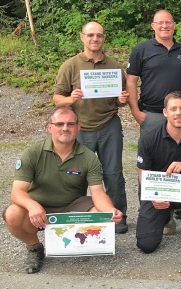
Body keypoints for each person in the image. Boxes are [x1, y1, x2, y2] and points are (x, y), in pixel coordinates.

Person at [3, 106, 123, 274]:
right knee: (13, 213)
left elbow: (98, 193)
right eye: (59, 124)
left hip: (72, 206)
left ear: (78, 127)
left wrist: (110, 211)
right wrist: (32, 206)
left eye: (70, 124)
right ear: (49, 127)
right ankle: (34, 248)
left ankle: (81, 245)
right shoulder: (32, 153)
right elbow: (17, 192)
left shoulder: (89, 157)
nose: (65, 128)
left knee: (100, 213)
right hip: (39, 207)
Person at [52, 21, 129, 234]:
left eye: (99, 35)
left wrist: (122, 99)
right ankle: (77, 216)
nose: (95, 39)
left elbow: (119, 100)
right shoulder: (70, 66)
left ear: (104, 38)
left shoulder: (114, 67)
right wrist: (70, 99)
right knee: (75, 175)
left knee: (113, 174)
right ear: (82, 37)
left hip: (108, 125)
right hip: (81, 128)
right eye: (91, 35)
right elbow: (57, 98)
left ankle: (118, 216)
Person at [135, 91, 181, 256]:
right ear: (165, 112)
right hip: (158, 192)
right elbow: (143, 174)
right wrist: (154, 197)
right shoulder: (148, 138)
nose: (178, 113)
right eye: (173, 109)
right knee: (146, 245)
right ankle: (166, 218)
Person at [126, 10, 181, 137]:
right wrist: (136, 112)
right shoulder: (141, 49)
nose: (165, 26)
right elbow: (131, 82)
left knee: (180, 149)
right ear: (153, 26)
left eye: (168, 22)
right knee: (151, 150)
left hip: (178, 114)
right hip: (152, 115)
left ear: (174, 25)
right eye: (160, 23)